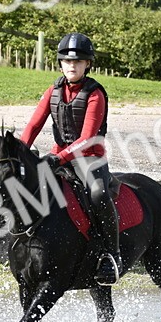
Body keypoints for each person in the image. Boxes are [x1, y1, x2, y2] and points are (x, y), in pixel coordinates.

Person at [19, 32, 121, 286]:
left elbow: (87, 139)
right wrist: (20, 153)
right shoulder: (52, 91)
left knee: (97, 194)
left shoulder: (96, 94)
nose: (72, 66)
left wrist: (58, 158)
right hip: (60, 155)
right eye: (67, 61)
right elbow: (33, 126)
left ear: (88, 64)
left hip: (90, 159)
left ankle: (112, 254)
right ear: (60, 63)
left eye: (78, 62)